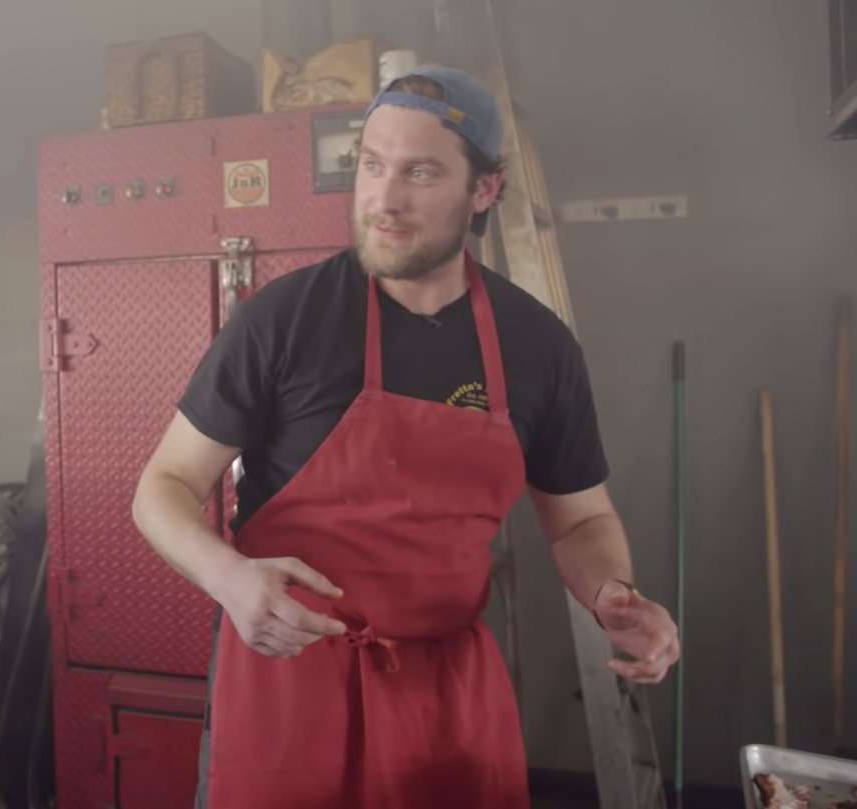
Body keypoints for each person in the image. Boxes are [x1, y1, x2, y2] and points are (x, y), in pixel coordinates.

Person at [132, 64, 681, 808]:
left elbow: (582, 519)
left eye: (420, 172)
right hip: (291, 682)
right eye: (371, 165)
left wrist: (614, 593)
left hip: (446, 695)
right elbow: (162, 487)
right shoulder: (283, 321)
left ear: (484, 190)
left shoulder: (539, 348)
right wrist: (228, 577)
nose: (383, 200)